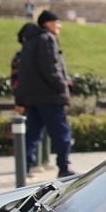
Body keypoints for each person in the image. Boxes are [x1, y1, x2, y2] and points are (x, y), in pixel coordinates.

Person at [17, 10, 74, 178]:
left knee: (33, 133)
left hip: (33, 97)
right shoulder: (47, 39)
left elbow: (23, 73)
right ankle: (64, 168)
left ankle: (24, 166)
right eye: (57, 22)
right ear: (48, 23)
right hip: (50, 96)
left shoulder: (29, 41)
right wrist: (62, 87)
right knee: (61, 133)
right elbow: (51, 68)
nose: (60, 26)